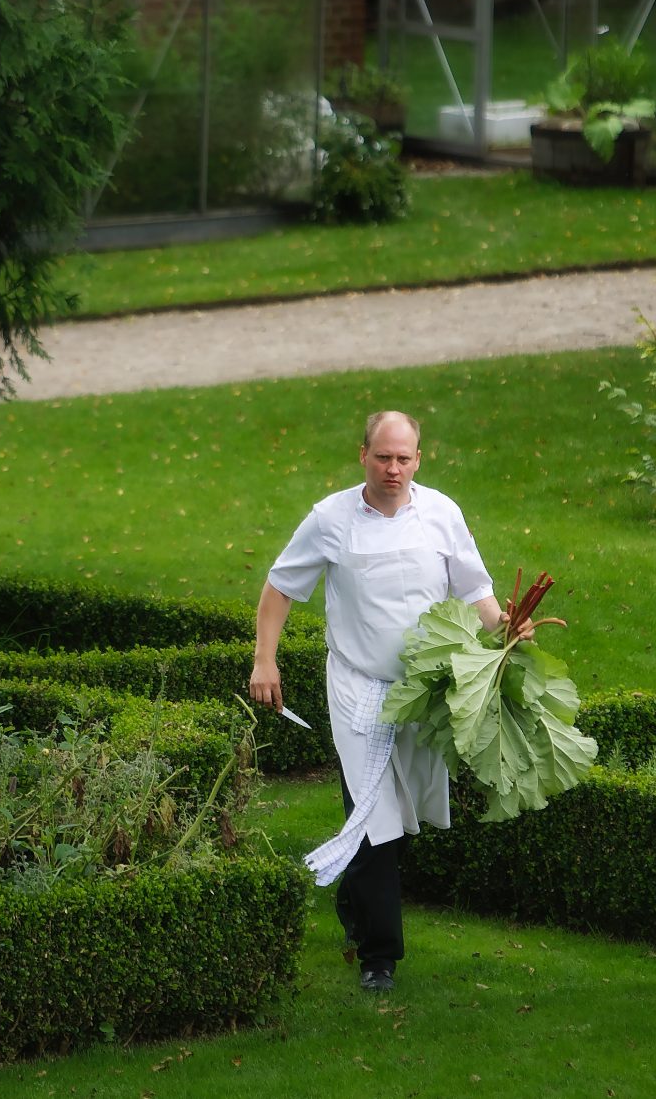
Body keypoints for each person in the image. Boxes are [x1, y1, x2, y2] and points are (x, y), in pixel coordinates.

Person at [249, 410, 528, 993]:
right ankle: (380, 957)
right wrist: (264, 659)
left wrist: (506, 628)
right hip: (358, 686)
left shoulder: (442, 514)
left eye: (404, 458)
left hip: (426, 687)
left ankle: (353, 908)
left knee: (401, 812)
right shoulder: (330, 518)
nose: (394, 469)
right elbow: (279, 587)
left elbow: (475, 588)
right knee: (374, 815)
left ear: (419, 459)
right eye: (383, 457)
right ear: (363, 455)